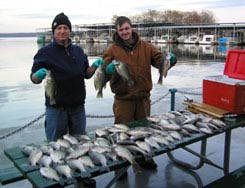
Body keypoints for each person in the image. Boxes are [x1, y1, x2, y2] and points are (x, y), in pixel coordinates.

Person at [100, 16, 177, 178]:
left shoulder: (146, 46)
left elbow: (159, 60)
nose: (124, 32)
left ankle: (143, 158)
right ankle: (120, 167)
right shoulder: (112, 50)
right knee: (122, 133)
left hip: (143, 98)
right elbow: (104, 69)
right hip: (123, 99)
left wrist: (170, 60)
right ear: (117, 31)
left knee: (143, 132)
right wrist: (107, 70)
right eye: (121, 30)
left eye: (126, 28)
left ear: (132, 28)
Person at [30, 13, 104, 142]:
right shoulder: (44, 52)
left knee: (81, 145)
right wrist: (37, 75)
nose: (62, 31)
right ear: (54, 32)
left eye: (65, 28)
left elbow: (86, 74)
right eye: (59, 28)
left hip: (78, 108)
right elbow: (34, 79)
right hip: (56, 109)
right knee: (55, 145)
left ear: (70, 30)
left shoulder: (78, 51)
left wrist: (94, 67)